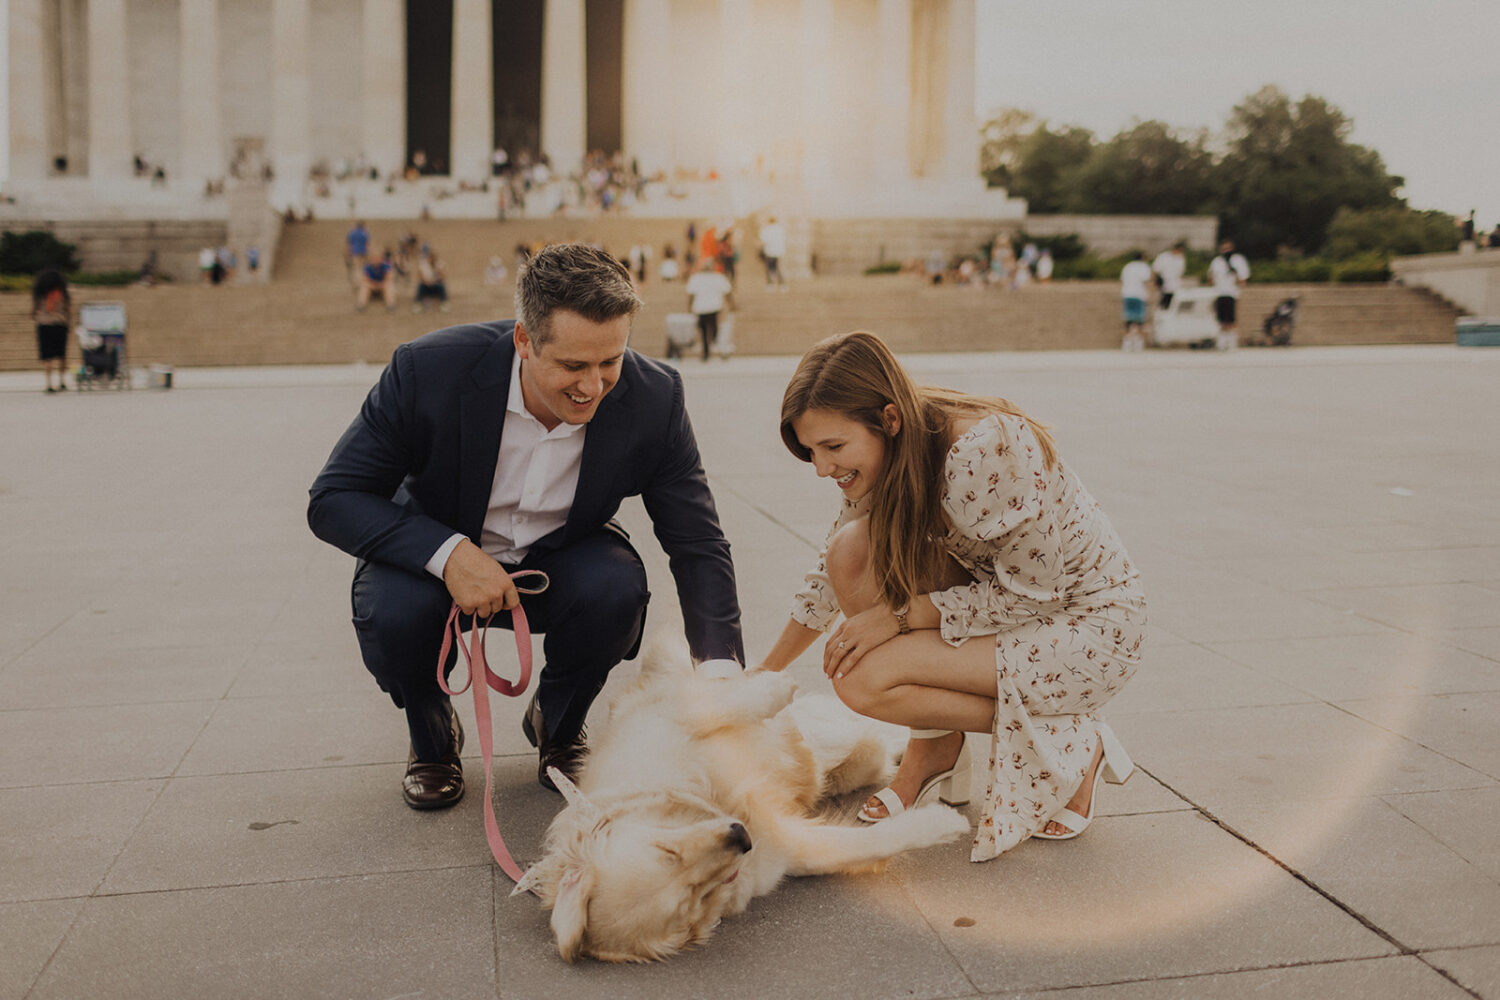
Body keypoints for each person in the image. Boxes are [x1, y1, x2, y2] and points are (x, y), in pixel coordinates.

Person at [307, 243, 745, 808]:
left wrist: (721, 675)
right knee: (392, 613)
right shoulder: (427, 370)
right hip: (434, 561)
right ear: (524, 340)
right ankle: (432, 736)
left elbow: (697, 540)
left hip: (560, 560)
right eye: (572, 366)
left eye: (610, 361)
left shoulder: (654, 397)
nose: (593, 386)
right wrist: (450, 554)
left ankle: (557, 727)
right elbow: (333, 497)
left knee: (617, 589)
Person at [759, 331, 1145, 861]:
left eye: (833, 446)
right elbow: (830, 574)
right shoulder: (888, 456)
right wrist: (763, 677)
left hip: (1086, 624)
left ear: (888, 419)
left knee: (864, 678)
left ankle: (1074, 742)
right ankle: (938, 746)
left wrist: (898, 617)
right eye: (811, 451)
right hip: (1000, 602)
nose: (823, 468)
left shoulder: (982, 451)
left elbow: (1041, 594)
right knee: (850, 552)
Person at [685, 257, 733, 361]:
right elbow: (691, 295)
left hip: (712, 308)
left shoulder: (716, 277)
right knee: (705, 329)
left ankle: (708, 348)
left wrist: (731, 304)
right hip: (703, 308)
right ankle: (707, 349)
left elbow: (728, 293)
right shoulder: (698, 278)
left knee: (710, 328)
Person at [31, 269, 71, 393]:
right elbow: (68, 310)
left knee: (47, 356)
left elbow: (33, 312)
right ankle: (62, 382)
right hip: (60, 324)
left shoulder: (39, 295)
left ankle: (49, 384)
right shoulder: (62, 294)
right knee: (61, 355)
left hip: (44, 325)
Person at [1208, 240, 1251, 350]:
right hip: (1219, 292)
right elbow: (1210, 276)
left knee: (1231, 320)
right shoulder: (1217, 261)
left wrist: (1235, 274)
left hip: (1231, 293)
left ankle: (1232, 343)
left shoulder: (1238, 260)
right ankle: (1221, 343)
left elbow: (1243, 280)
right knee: (1221, 320)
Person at [1119, 251, 1152, 351]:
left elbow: (1122, 279)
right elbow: (1147, 280)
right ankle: (1138, 343)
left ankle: (1127, 342)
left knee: (1128, 319)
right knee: (1140, 319)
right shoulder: (1144, 267)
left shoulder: (1127, 266)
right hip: (1139, 295)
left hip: (1127, 294)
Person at [1151, 241, 1187, 310]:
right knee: (1162, 304)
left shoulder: (1181, 259)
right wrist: (1154, 283)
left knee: (1173, 305)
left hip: (1175, 285)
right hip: (1163, 285)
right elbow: (1155, 270)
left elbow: (1180, 273)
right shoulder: (1163, 257)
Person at [760, 216, 787, 288]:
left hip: (769, 251)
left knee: (769, 268)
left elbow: (764, 241)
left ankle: (770, 284)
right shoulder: (780, 229)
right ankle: (782, 283)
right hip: (778, 252)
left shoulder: (766, 229)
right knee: (777, 267)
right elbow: (783, 240)